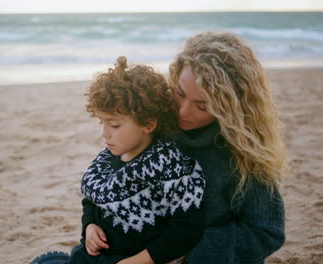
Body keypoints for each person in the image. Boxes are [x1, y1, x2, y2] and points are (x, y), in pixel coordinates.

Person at [30, 56, 206, 264]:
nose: (105, 133)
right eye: (102, 123)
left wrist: (140, 260)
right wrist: (90, 226)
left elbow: (186, 229)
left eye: (114, 125)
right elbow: (92, 200)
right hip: (99, 255)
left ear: (148, 124)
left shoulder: (171, 165)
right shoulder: (110, 156)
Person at [169, 32, 286, 264]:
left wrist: (190, 252)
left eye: (202, 106)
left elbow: (267, 232)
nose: (182, 111)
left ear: (229, 105)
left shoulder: (246, 154)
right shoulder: (154, 125)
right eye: (179, 93)